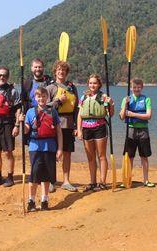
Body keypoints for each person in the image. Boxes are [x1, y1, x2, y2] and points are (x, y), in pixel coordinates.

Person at [21, 87, 63, 211]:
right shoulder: (30, 112)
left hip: (49, 147)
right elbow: (26, 130)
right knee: (34, 175)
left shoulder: (52, 111)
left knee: (46, 176)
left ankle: (44, 200)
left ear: (47, 98)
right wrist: (21, 122)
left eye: (44, 96)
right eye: (39, 96)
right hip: (35, 147)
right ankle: (31, 200)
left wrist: (60, 148)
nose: (41, 99)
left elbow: (59, 131)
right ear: (35, 98)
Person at [77, 74, 114, 192]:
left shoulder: (103, 97)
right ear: (88, 84)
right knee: (90, 157)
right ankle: (92, 182)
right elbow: (79, 115)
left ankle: (102, 182)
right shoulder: (83, 97)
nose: (92, 85)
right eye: (91, 83)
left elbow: (110, 114)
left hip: (99, 127)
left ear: (99, 85)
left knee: (101, 155)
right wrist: (79, 130)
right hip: (86, 129)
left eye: (95, 83)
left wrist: (111, 104)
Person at [46, 60, 79, 192]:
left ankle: (66, 181)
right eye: (59, 70)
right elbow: (45, 106)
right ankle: (51, 181)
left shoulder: (72, 87)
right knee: (52, 153)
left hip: (69, 124)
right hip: (54, 124)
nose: (61, 72)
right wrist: (58, 101)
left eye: (63, 70)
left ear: (66, 72)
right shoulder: (50, 88)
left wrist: (77, 126)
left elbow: (76, 108)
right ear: (55, 72)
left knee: (67, 153)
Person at [0, 67, 21, 188]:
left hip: (8, 123)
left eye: (4, 75)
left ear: (7, 77)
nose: (2, 77)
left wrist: (17, 125)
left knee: (8, 152)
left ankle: (10, 178)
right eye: (0, 75)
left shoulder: (13, 91)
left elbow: (18, 108)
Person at [119, 78, 154, 187]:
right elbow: (121, 116)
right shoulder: (126, 99)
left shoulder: (146, 99)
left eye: (139, 87)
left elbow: (148, 116)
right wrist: (125, 104)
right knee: (129, 156)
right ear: (131, 88)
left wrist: (133, 115)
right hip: (130, 130)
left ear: (142, 88)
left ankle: (146, 180)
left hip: (143, 130)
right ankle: (127, 179)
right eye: (134, 87)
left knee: (144, 156)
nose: (136, 89)